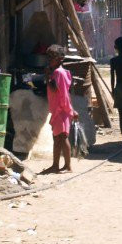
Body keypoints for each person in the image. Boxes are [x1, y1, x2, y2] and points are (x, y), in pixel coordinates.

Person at [42, 44, 77, 175]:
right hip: (59, 110)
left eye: (52, 57)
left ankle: (67, 166)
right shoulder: (58, 72)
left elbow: (60, 92)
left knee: (62, 138)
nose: (49, 60)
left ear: (60, 59)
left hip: (61, 110)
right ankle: (55, 165)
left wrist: (70, 110)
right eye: (48, 57)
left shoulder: (58, 73)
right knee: (57, 139)